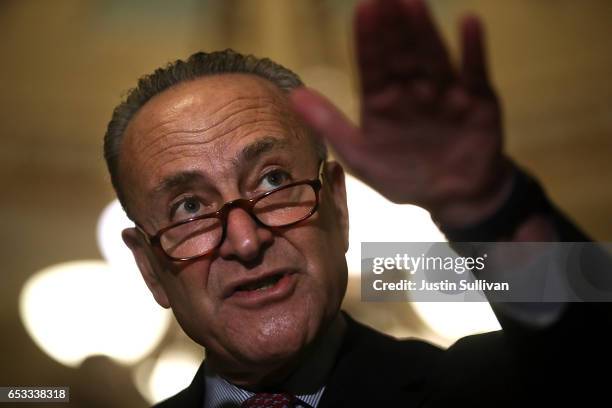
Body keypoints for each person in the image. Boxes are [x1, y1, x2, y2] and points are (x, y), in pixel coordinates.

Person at [103, 0, 607, 406]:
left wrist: (487, 204)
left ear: (339, 208)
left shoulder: (480, 391)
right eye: (189, 209)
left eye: (273, 179)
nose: (246, 238)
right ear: (150, 269)